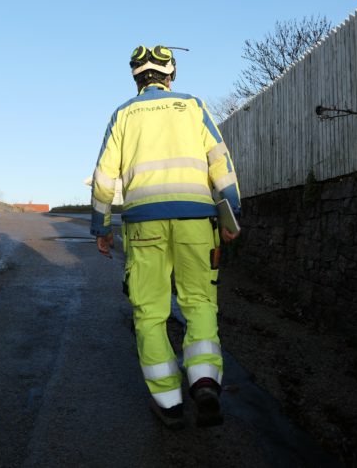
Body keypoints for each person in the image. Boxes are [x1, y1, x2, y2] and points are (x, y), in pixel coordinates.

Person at [90, 45, 242, 429]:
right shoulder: (193, 106)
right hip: (197, 219)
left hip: (143, 224)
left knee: (150, 310)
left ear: (136, 78)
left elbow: (105, 175)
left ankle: (169, 402)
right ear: (170, 74)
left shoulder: (123, 114)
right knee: (200, 302)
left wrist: (101, 225)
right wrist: (231, 210)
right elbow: (219, 160)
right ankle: (204, 379)